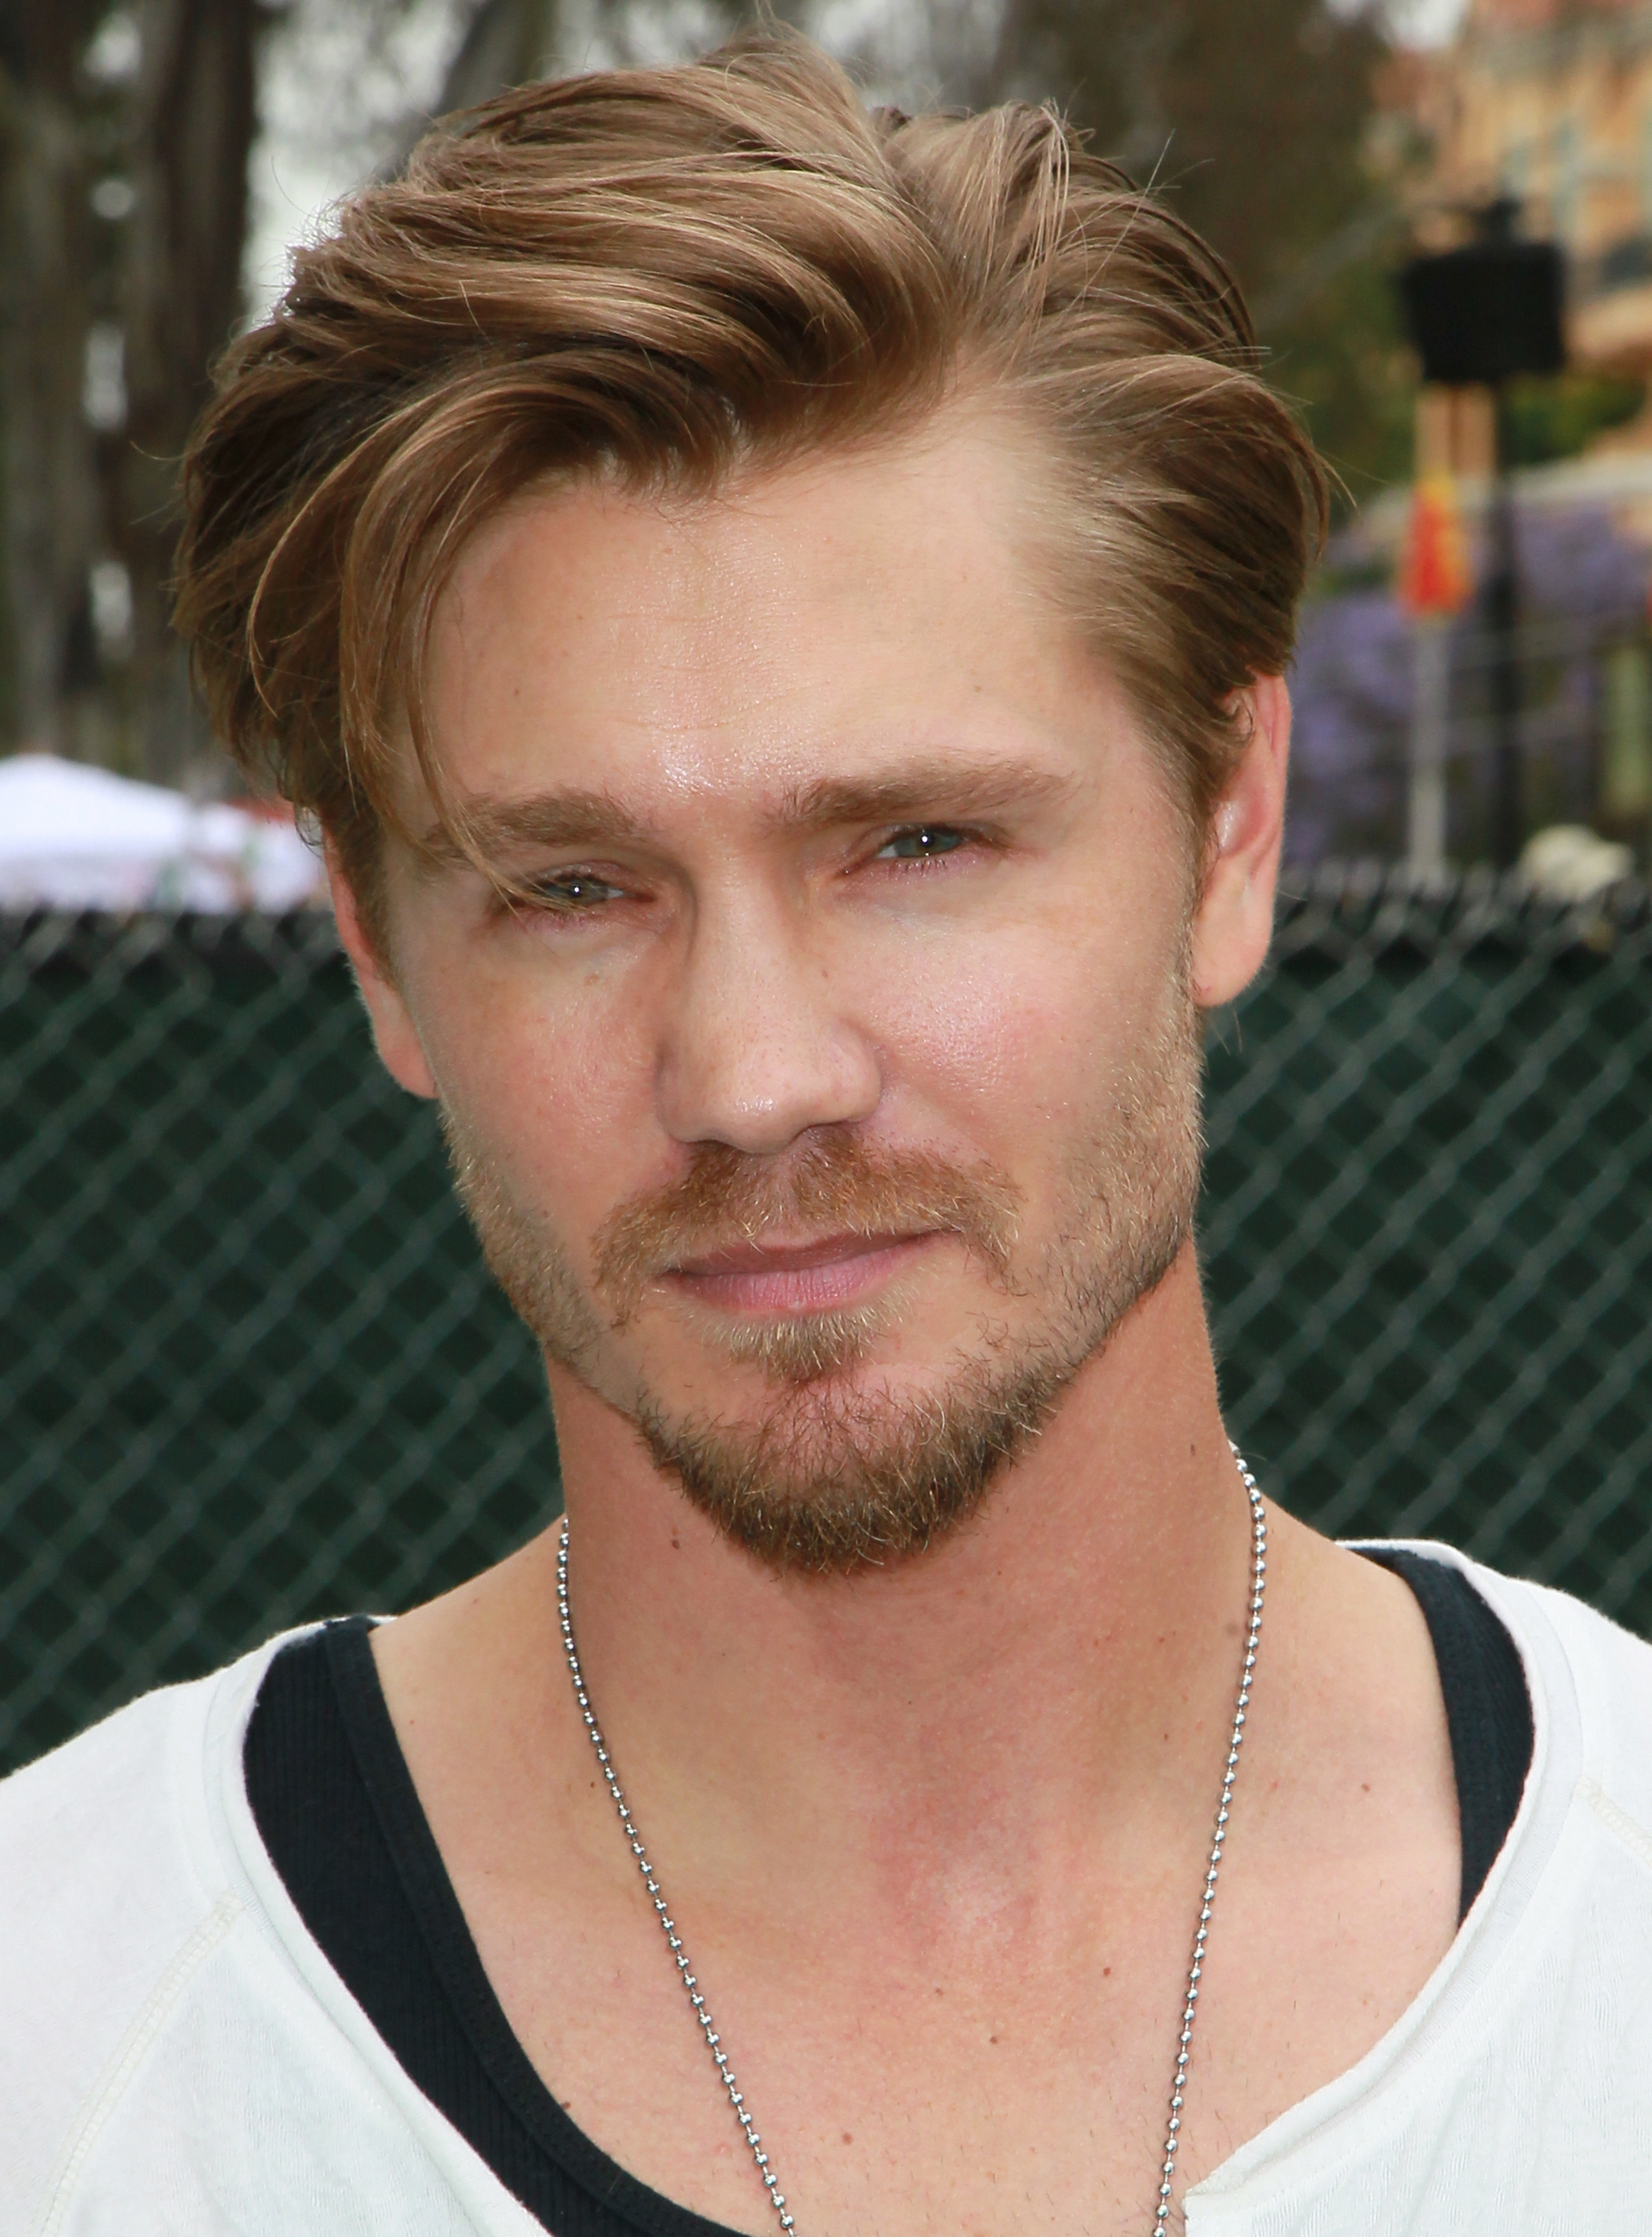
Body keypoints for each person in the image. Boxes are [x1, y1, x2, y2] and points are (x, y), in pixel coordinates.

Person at [4, 31, 1649, 2237]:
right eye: (572, 889)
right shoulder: (65, 2038)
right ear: (381, 957)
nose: (753, 1073)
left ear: (1232, 824)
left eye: (918, 842)